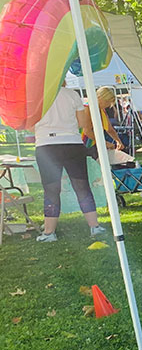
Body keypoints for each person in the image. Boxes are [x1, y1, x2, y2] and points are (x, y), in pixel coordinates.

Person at [32, 88, 106, 243]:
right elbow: (82, 123)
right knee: (82, 186)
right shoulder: (72, 94)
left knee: (51, 189)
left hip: (46, 145)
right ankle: (94, 226)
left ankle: (49, 232)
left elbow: (29, 126)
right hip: (72, 142)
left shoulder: (35, 94)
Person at [95, 86, 127, 153]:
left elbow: (109, 128)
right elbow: (87, 131)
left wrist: (118, 141)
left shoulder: (102, 110)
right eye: (107, 102)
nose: (108, 105)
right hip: (86, 143)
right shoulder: (88, 108)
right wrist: (105, 143)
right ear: (100, 98)